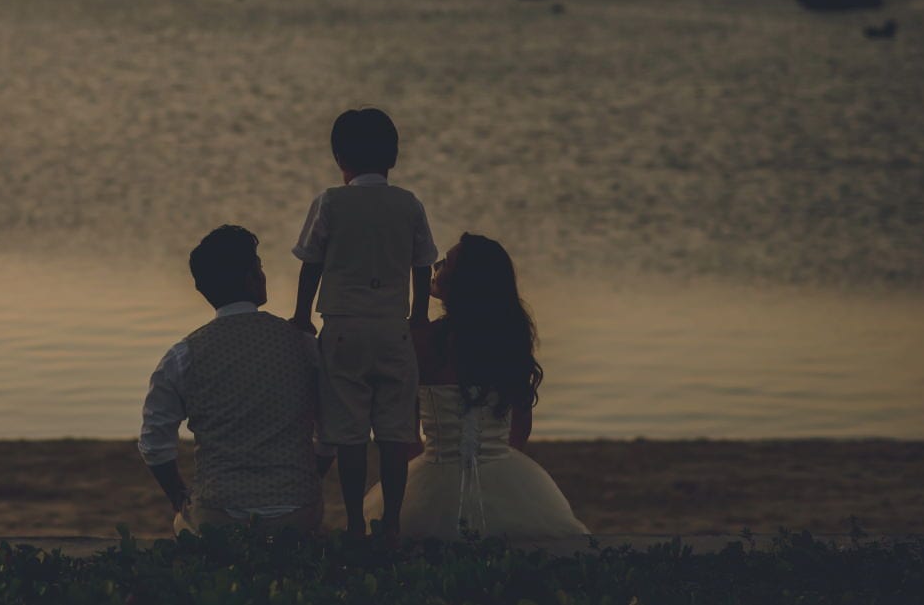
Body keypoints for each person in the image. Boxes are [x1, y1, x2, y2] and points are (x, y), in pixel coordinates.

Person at [364, 233, 588, 542]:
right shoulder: (509, 340)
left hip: (434, 470)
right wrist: (499, 473)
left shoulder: (423, 342)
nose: (435, 268)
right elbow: (520, 425)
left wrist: (423, 473)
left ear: (463, 282)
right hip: (502, 468)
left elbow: (403, 428)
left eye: (445, 263)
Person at [289, 107, 438, 543]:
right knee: (395, 432)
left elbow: (310, 264)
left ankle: (355, 521)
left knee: (348, 433)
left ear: (340, 158)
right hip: (394, 328)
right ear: (392, 157)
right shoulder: (408, 204)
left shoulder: (331, 202)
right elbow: (423, 264)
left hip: (343, 326)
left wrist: (301, 315)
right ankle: (390, 522)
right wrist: (421, 315)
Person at [139, 225, 333, 535]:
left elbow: (154, 444)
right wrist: (309, 478)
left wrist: (179, 497)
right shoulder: (303, 345)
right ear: (251, 278)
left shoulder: (183, 355)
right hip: (296, 514)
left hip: (219, 517)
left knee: (185, 524)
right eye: (259, 267)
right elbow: (330, 431)